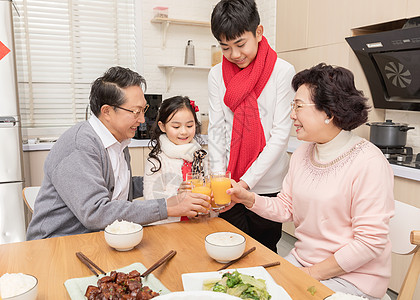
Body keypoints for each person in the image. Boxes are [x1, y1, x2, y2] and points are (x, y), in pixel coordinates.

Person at [226, 63, 394, 300]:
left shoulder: (368, 162)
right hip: (304, 264)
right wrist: (248, 199)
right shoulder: (303, 153)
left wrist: (308, 274)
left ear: (329, 113)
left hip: (353, 280)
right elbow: (287, 207)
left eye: (298, 106)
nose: (292, 114)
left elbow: (369, 243)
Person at [26, 67, 210, 240]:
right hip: (61, 242)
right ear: (107, 111)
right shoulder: (80, 145)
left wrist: (166, 180)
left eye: (143, 110)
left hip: (104, 236)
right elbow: (96, 213)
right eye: (135, 112)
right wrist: (169, 206)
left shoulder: (119, 139)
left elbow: (120, 188)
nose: (142, 119)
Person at [208, 0, 295, 252]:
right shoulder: (216, 75)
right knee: (228, 248)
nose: (234, 55)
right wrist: (220, 180)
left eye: (240, 44)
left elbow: (279, 136)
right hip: (228, 183)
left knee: (265, 250)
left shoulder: (282, 72)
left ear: (258, 32)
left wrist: (245, 184)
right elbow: (216, 130)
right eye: (225, 47)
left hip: (267, 185)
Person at [143, 96, 208, 224]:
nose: (183, 132)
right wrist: (178, 195)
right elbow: (150, 200)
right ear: (162, 127)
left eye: (189, 125)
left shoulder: (200, 155)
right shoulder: (157, 160)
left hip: (198, 224)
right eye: (176, 127)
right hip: (169, 226)